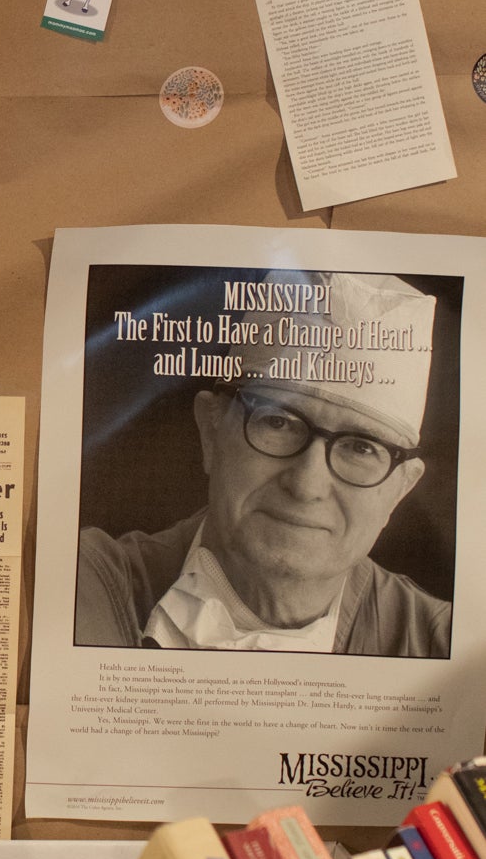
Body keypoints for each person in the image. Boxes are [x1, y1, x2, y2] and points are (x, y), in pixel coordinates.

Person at [76, 271, 448, 658]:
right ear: (211, 430)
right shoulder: (81, 585)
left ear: (401, 488)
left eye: (361, 448)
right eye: (278, 423)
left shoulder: (442, 644)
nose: (306, 485)